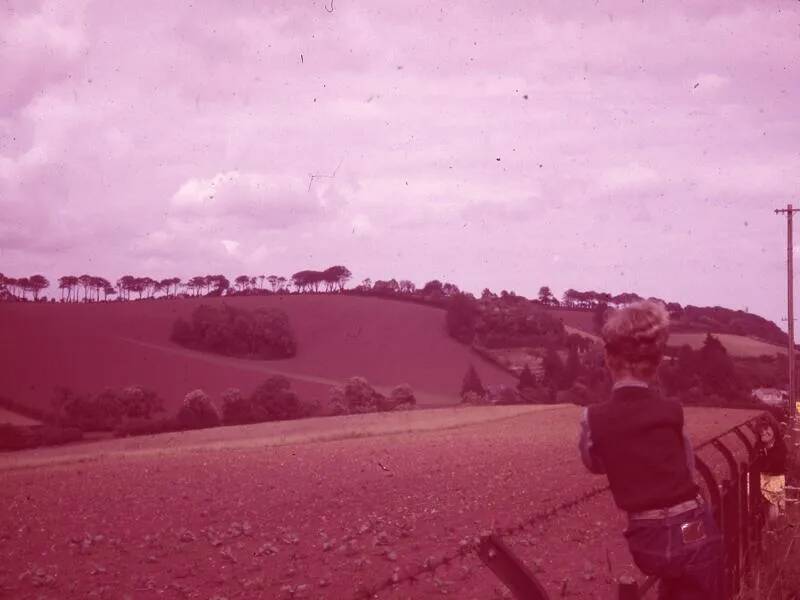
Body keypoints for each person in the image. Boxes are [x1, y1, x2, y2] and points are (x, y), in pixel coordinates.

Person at [578, 300, 723, 599]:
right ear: (657, 363)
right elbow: (688, 468)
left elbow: (594, 462)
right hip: (692, 528)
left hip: (649, 540)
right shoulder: (673, 410)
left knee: (670, 575)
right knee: (697, 582)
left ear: (607, 357)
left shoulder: (593, 417)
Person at [754, 415, 787, 524]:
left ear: (774, 428)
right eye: (761, 430)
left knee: (773, 505)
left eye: (766, 428)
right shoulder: (758, 446)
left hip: (774, 479)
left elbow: (773, 465)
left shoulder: (780, 446)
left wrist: (765, 454)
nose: (763, 432)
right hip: (760, 480)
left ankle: (772, 530)